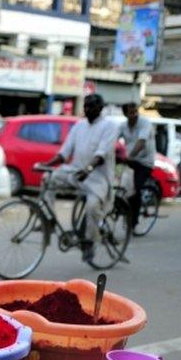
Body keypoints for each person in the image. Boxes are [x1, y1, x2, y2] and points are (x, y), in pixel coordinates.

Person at [37, 94, 120, 263]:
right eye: (86, 106)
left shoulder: (109, 126)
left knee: (92, 206)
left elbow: (102, 154)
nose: (87, 110)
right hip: (76, 172)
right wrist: (47, 164)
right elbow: (64, 152)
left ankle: (90, 242)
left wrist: (88, 169)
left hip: (98, 177)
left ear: (100, 108)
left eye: (91, 107)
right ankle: (49, 220)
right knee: (48, 178)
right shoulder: (79, 126)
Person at [119, 103, 156, 229]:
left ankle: (133, 221)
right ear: (125, 114)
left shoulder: (145, 123)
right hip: (130, 161)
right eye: (131, 112)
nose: (134, 115)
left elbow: (141, 141)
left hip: (145, 162)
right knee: (119, 185)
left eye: (135, 112)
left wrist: (131, 155)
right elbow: (112, 139)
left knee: (135, 189)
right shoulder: (123, 126)